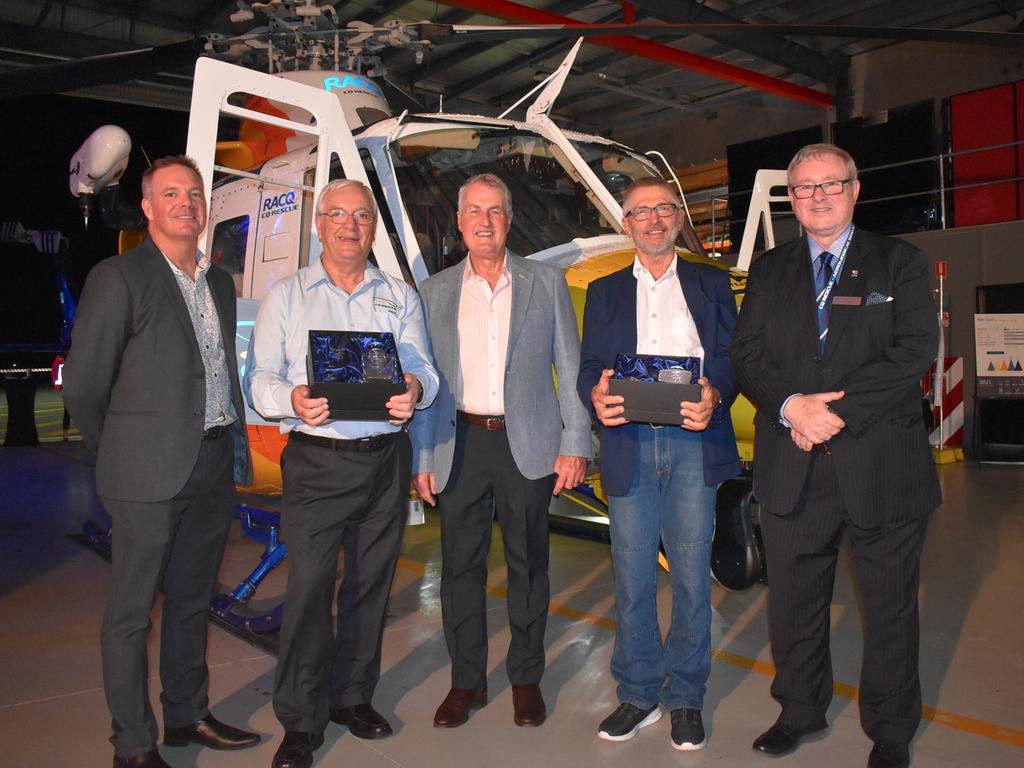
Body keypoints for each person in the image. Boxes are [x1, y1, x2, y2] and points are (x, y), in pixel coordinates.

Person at [731, 143, 940, 768]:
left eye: (830, 184)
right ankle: (799, 709)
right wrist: (792, 406)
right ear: (791, 201)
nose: (817, 196)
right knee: (794, 602)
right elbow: (747, 357)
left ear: (855, 189)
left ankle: (892, 729)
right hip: (793, 463)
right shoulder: (770, 271)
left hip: (882, 465)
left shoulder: (901, 263)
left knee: (891, 607)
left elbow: (913, 353)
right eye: (804, 189)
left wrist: (831, 415)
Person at [63, 156, 259, 768]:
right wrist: (119, 452)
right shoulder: (118, 278)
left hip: (211, 464)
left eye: (195, 194)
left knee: (192, 601)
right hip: (144, 474)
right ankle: (133, 744)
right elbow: (85, 386)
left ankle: (186, 715)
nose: (186, 203)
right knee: (129, 614)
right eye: (171, 193)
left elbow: (220, 369)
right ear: (147, 208)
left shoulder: (220, 284)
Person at [246, 178, 439, 768]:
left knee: (369, 589)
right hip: (317, 460)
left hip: (384, 460)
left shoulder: (398, 296)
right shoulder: (288, 295)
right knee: (308, 594)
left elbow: (422, 367)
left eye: (361, 216)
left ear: (372, 229)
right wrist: (292, 399)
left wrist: (415, 389)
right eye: (338, 214)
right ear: (318, 224)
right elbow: (258, 379)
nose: (350, 225)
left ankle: (352, 698)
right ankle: (301, 721)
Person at [410, 173, 591, 729]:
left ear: (508, 221)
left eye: (495, 211)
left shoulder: (545, 281)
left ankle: (526, 679)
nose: (484, 220)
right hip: (458, 443)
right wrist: (421, 457)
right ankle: (466, 681)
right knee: (459, 571)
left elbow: (570, 365)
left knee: (529, 566)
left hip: (528, 444)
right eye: (474, 211)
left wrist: (575, 442)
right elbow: (425, 376)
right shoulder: (434, 290)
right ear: (460, 221)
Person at [576, 177, 741, 751]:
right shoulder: (604, 291)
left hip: (694, 442)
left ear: (677, 218)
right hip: (630, 444)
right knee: (633, 575)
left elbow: (729, 357)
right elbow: (590, 365)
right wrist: (594, 396)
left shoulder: (710, 282)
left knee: (693, 576)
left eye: (662, 210)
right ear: (626, 224)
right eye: (640, 212)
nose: (652, 220)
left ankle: (687, 697)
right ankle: (640, 692)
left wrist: (717, 393)